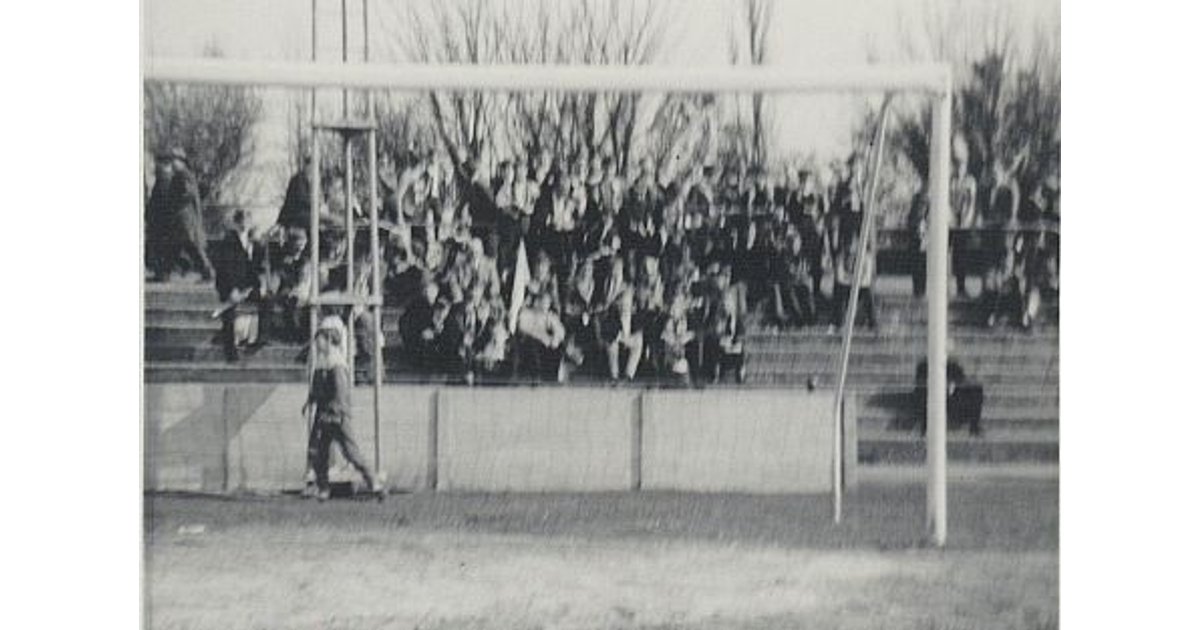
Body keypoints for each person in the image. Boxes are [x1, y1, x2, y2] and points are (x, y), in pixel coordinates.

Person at [303, 316, 386, 501]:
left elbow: (340, 392)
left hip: (336, 415)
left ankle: (374, 482)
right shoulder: (323, 362)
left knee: (350, 452)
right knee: (318, 451)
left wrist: (335, 412)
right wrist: (310, 400)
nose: (317, 344)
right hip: (324, 413)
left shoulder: (337, 364)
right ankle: (323, 487)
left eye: (320, 339)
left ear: (329, 339)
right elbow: (317, 387)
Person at [212, 209, 264, 361]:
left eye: (247, 221)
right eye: (241, 221)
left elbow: (255, 268)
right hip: (230, 287)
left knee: (267, 301)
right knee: (229, 315)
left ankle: (260, 339)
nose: (244, 225)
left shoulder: (252, 242)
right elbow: (225, 269)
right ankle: (230, 352)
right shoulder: (228, 241)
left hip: (247, 286)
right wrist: (232, 290)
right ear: (236, 223)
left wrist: (259, 286)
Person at [165, 148, 215, 281]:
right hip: (182, 219)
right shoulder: (181, 175)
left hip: (186, 219)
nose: (172, 163)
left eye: (174, 160)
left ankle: (207, 272)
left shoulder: (184, 175)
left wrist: (175, 201)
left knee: (191, 247)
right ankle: (167, 272)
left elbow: (188, 193)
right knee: (179, 246)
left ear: (181, 161)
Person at [145, 151, 175, 281]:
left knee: (160, 247)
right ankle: (161, 273)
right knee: (161, 247)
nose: (155, 166)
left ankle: (162, 274)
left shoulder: (163, 179)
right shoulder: (166, 178)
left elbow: (159, 201)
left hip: (160, 220)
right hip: (162, 219)